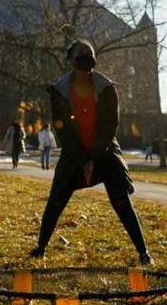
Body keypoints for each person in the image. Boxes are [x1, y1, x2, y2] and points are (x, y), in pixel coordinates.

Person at [29, 39, 153, 265]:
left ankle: (143, 252)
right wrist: (81, 160)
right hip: (74, 153)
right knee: (56, 200)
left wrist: (94, 159)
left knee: (121, 201)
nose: (87, 58)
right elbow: (62, 129)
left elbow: (110, 125)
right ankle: (40, 248)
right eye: (81, 54)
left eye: (90, 53)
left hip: (104, 152)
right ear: (71, 61)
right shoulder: (59, 90)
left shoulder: (106, 88)